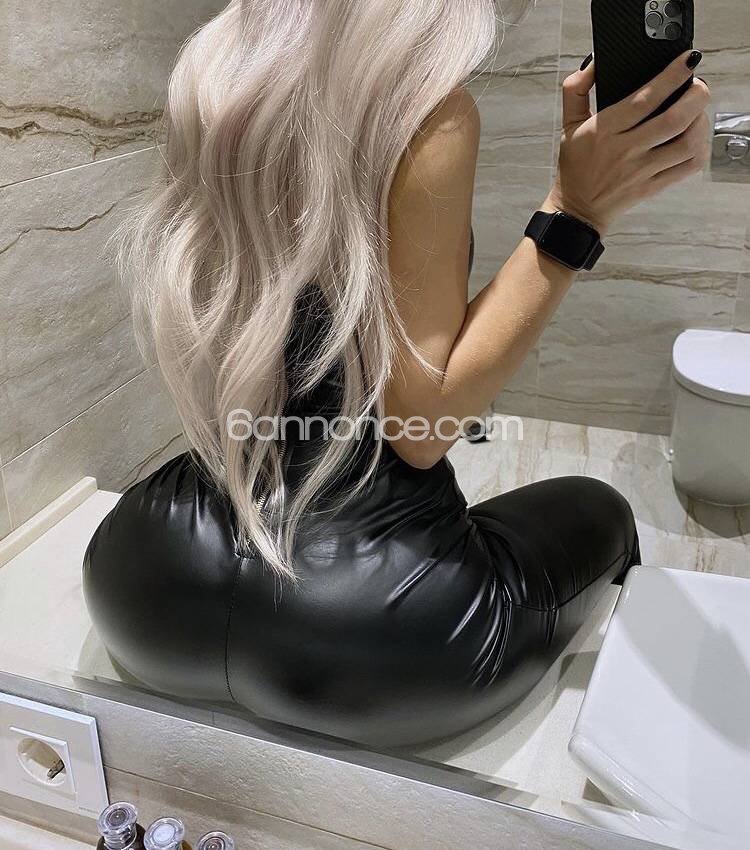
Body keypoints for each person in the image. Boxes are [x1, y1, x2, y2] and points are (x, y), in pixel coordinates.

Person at [83, 1, 710, 746]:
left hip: (147, 580)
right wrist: (577, 211)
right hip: (371, 638)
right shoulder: (428, 113)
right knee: (604, 510)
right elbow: (421, 426)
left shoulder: (219, 76)